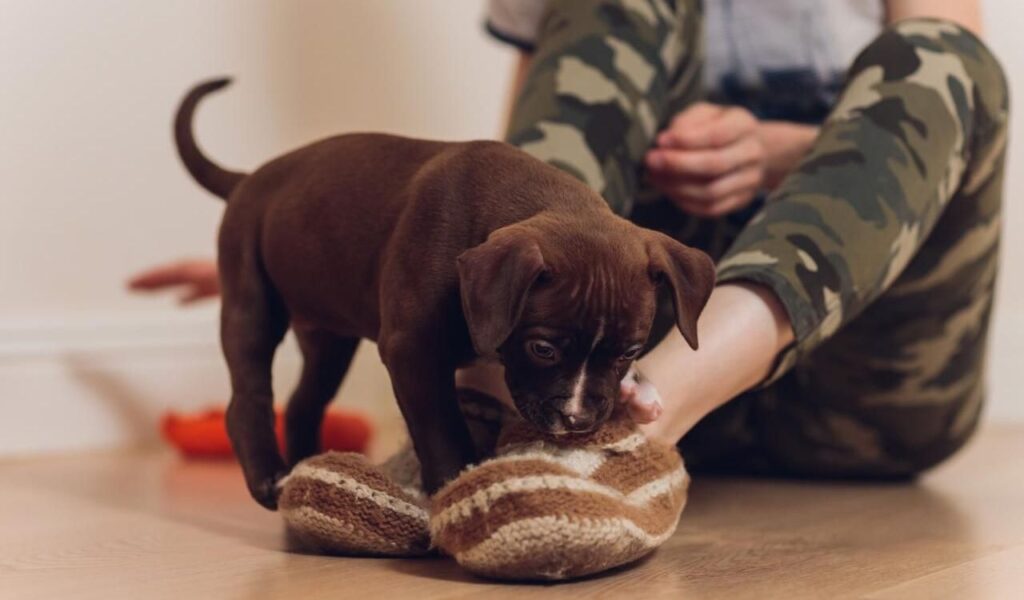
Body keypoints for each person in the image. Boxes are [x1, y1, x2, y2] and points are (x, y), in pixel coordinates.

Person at [132, 0, 1007, 478]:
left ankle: (639, 423)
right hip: (581, 358)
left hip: (864, 392)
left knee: (939, 54)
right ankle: (497, 417)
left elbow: (948, 118)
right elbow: (522, 179)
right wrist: (315, 250)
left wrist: (776, 153)